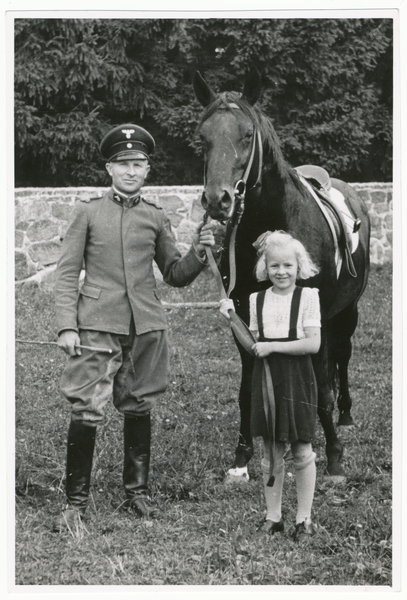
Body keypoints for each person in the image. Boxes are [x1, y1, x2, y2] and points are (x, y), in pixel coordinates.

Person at [53, 123, 215, 532]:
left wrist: (199, 250)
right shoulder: (88, 212)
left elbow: (175, 274)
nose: (131, 170)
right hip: (96, 325)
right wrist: (66, 327)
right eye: (123, 163)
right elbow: (67, 274)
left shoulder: (155, 218)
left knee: (139, 404)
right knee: (87, 406)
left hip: (145, 326)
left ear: (147, 169)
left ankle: (136, 494)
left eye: (138, 163)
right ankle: (75, 503)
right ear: (109, 168)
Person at [220, 230, 320, 541]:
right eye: (274, 266)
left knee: (302, 449)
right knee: (271, 452)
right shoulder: (256, 299)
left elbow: (313, 343)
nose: (281, 272)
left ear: (299, 265)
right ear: (266, 267)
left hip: (297, 378)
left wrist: (274, 347)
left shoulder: (308, 297)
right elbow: (252, 343)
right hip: (266, 380)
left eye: (288, 266)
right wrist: (231, 319)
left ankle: (304, 519)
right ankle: (273, 516)